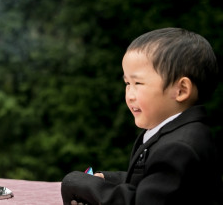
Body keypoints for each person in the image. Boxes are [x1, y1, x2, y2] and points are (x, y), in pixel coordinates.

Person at [61, 27, 222, 205]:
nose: (129, 94)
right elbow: (151, 183)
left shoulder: (179, 148)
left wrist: (81, 185)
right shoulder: (175, 132)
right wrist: (107, 179)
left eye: (138, 83)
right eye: (127, 83)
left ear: (181, 90)